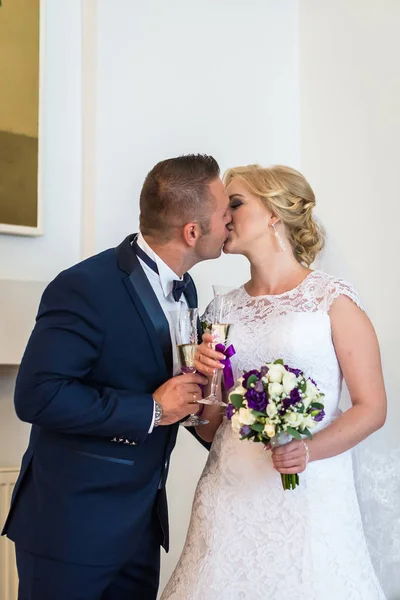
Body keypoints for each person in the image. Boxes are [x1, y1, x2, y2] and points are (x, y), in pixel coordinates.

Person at [1, 154, 232, 600]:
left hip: (140, 529)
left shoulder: (189, 291)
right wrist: (153, 408)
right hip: (71, 529)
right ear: (192, 232)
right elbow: (37, 396)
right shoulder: (85, 286)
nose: (230, 222)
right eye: (224, 213)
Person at [160, 164, 387, 600]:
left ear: (274, 214)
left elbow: (371, 407)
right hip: (229, 490)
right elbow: (211, 426)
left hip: (309, 491)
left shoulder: (331, 300)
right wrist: (202, 383)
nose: (222, 215)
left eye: (236, 203)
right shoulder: (220, 310)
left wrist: (307, 449)